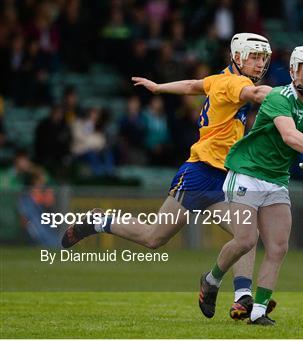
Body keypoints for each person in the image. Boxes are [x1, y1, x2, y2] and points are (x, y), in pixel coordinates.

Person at [61, 33, 275, 320]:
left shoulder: (219, 78)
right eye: (254, 56)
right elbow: (259, 95)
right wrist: (293, 96)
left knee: (247, 235)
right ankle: (99, 221)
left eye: (263, 58)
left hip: (227, 177)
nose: (260, 63)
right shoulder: (236, 83)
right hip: (200, 172)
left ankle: (242, 298)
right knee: (154, 237)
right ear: (237, 56)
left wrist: (159, 87)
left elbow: (192, 85)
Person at [198, 46, 303, 326]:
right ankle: (210, 280)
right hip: (246, 172)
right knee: (246, 240)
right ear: (293, 71)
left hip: (277, 181)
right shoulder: (277, 97)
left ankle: (258, 312)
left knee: (278, 247)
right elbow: (289, 135)